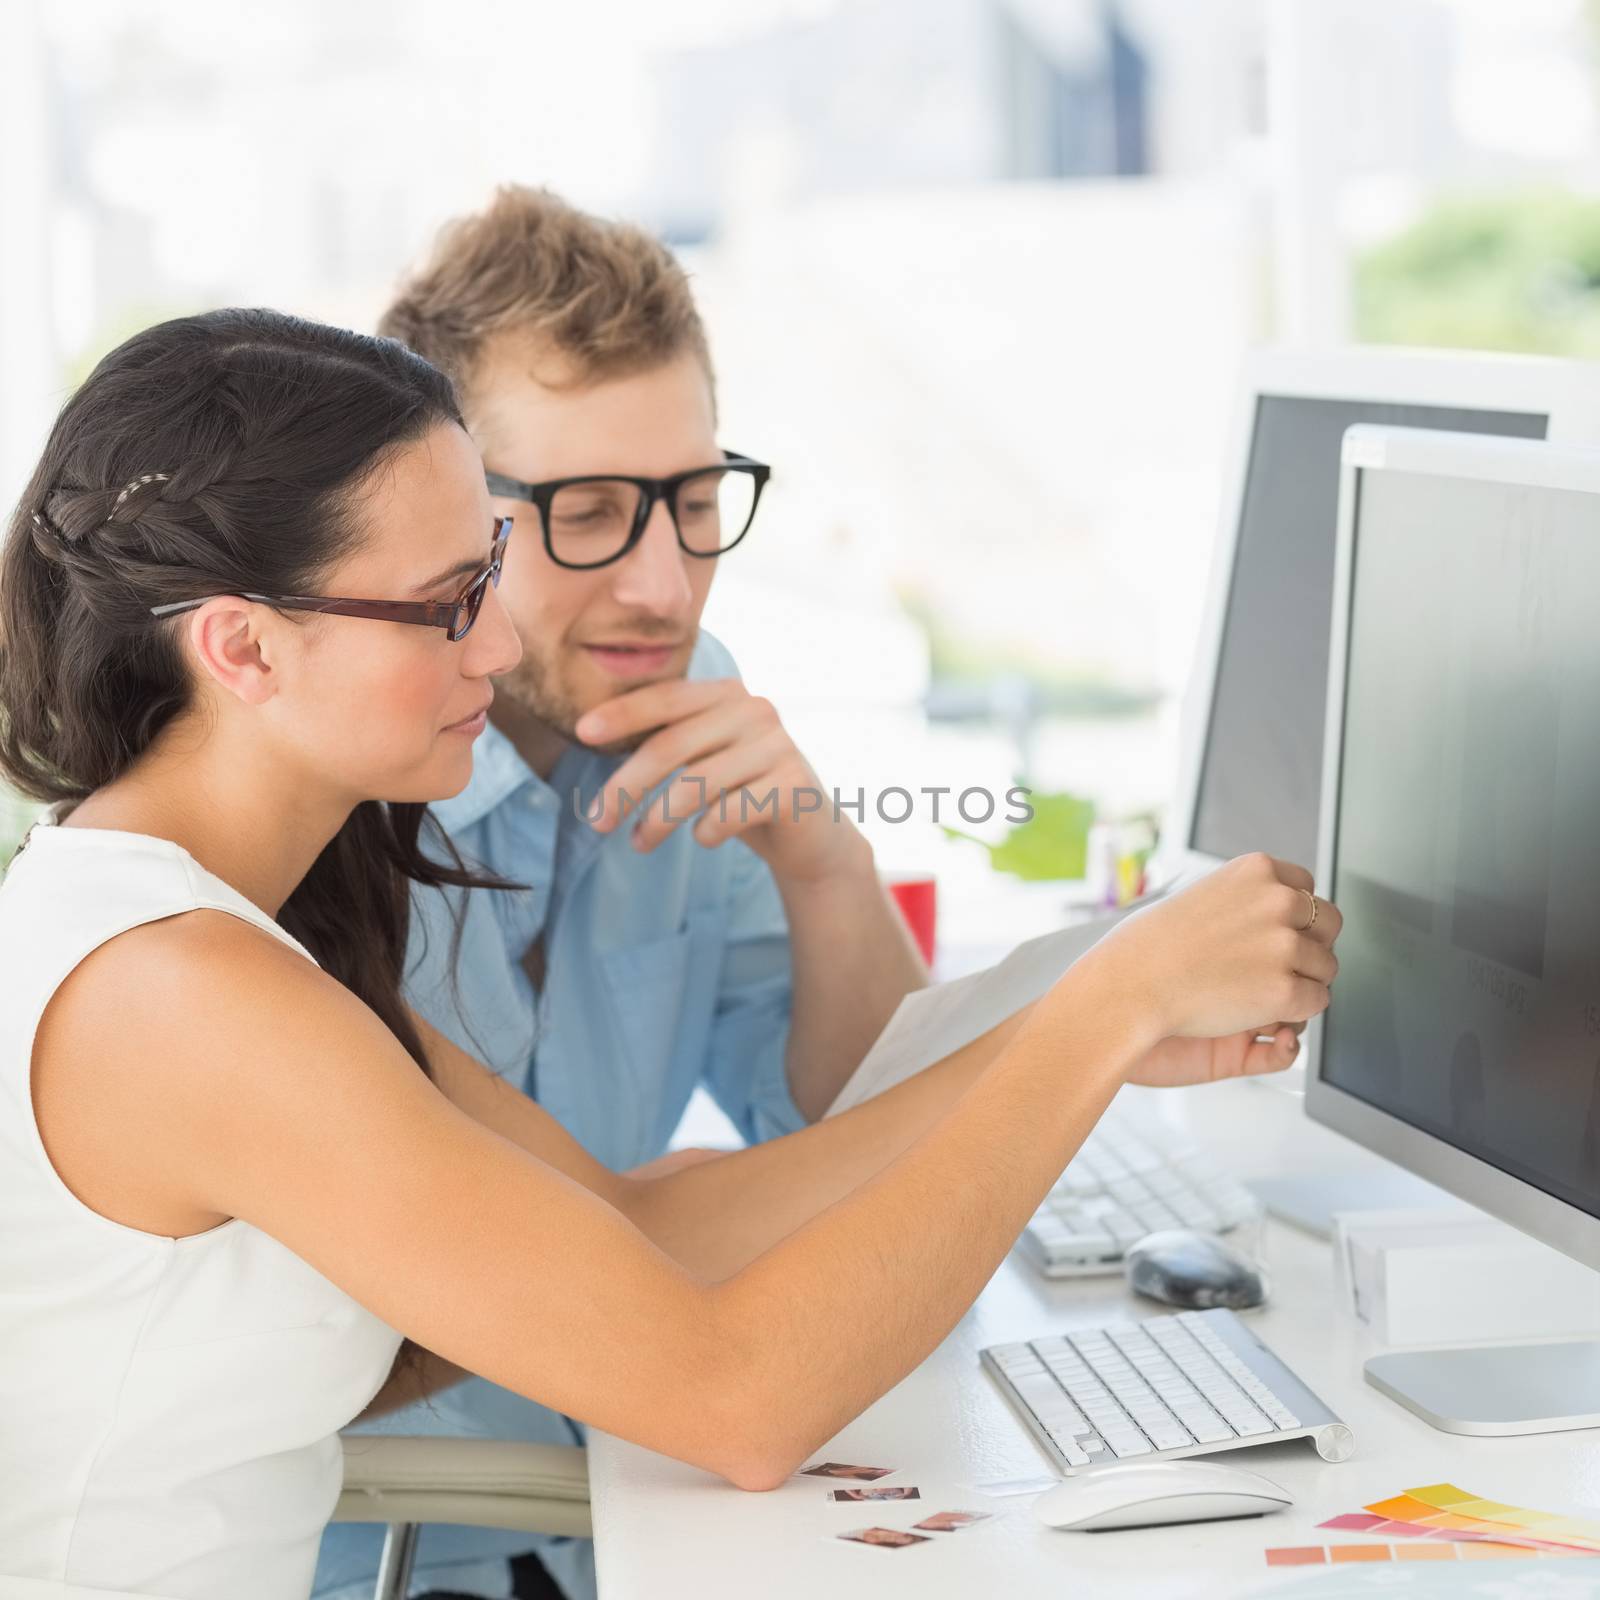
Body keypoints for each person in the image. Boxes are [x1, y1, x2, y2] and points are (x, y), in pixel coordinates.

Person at [0, 307, 1339, 1600]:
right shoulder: (179, 994)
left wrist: (1085, 1034)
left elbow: (635, 1228)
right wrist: (1104, 1005)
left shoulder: (231, 933)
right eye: (452, 600)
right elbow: (739, 1401)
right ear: (242, 647)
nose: (504, 637)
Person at [321, 187, 935, 1600]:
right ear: (439, 519)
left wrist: (824, 864)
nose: (664, 584)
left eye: (698, 502)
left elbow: (853, 1147)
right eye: (588, 514)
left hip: (627, 1518)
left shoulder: (689, 707)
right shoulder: (325, 796)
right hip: (377, 1552)